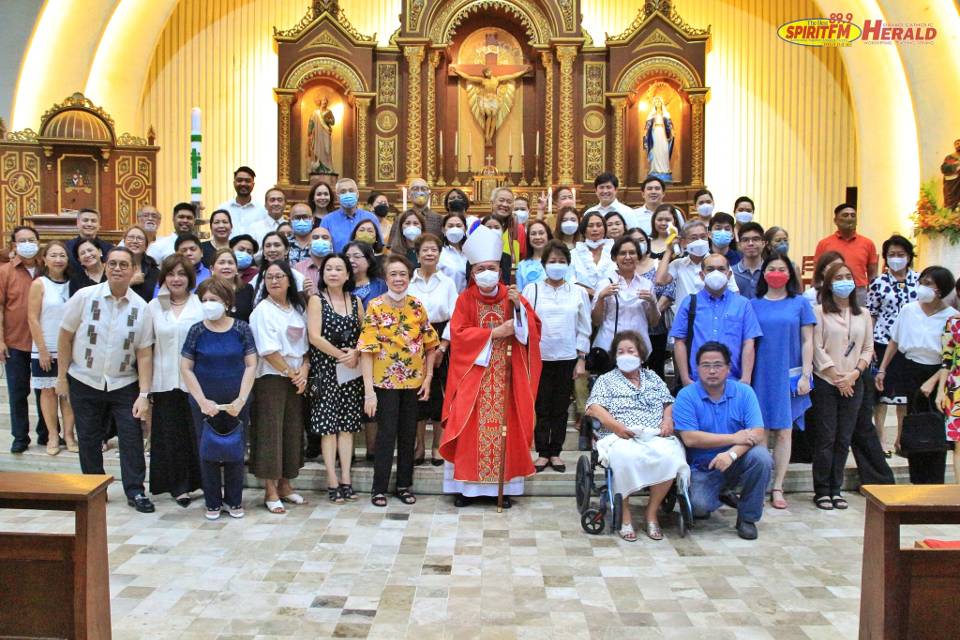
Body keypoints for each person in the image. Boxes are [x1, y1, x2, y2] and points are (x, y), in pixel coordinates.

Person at [439, 225, 542, 508]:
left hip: (507, 376)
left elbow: (533, 331)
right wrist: (494, 333)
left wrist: (519, 311)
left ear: (500, 270)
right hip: (474, 377)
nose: (486, 272)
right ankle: (467, 489)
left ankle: (503, 487)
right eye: (481, 268)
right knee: (469, 429)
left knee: (504, 429)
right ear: (473, 273)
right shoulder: (465, 299)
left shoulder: (513, 297)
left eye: (492, 267)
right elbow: (458, 335)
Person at [57, 247, 155, 512]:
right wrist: (62, 378)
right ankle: (94, 489)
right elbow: (65, 336)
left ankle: (135, 491)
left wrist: (144, 394)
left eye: (124, 264)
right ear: (105, 266)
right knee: (88, 437)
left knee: (131, 437)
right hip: (83, 378)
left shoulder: (141, 308)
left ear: (134, 270)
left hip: (124, 383)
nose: (118, 269)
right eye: (112, 263)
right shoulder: (85, 297)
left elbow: (144, 354)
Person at [585, 330, 688, 540]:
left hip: (654, 434)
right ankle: (625, 515)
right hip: (620, 435)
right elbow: (594, 408)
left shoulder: (653, 378)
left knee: (673, 454)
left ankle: (652, 513)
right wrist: (616, 426)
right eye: (620, 351)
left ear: (641, 355)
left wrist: (667, 420)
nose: (625, 355)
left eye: (630, 351)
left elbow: (667, 402)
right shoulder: (606, 380)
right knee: (624, 457)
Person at [359, 255, 439, 507]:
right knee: (386, 435)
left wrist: (428, 377)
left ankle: (404, 484)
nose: (398, 279)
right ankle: (379, 488)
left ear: (409, 277)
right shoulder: (374, 306)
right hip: (385, 384)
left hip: (413, 383)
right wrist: (369, 391)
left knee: (408, 436)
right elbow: (366, 349)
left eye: (403, 274)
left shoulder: (416, 305)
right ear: (385, 277)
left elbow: (431, 344)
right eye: (393, 274)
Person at [673, 342, 772, 540]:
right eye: (706, 365)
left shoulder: (744, 393)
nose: (712, 371)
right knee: (700, 508)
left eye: (718, 365)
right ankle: (721, 491)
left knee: (762, 457)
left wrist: (731, 453)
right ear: (697, 368)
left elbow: (757, 432)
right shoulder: (686, 396)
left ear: (728, 368)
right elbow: (690, 438)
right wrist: (733, 438)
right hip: (701, 467)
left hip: (736, 460)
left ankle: (747, 518)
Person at [181, 277, 257, 520]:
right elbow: (186, 367)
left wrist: (241, 399)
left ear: (226, 301)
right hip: (204, 402)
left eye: (212, 299)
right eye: (203, 300)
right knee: (208, 452)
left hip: (237, 401)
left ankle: (234, 500)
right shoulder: (197, 330)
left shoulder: (241, 328)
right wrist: (202, 401)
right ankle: (212, 501)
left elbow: (251, 364)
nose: (207, 304)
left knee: (235, 450)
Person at [875, 266, 956, 483]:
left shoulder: (951, 316)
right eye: (922, 281)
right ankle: (916, 477)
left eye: (929, 283)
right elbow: (895, 340)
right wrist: (882, 368)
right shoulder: (909, 309)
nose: (924, 287)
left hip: (939, 373)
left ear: (941, 289)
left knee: (935, 425)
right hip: (910, 368)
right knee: (913, 424)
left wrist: (939, 378)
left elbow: (951, 355)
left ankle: (935, 478)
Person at [750, 254, 815, 509]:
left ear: (790, 274)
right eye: (772, 268)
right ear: (764, 273)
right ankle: (762, 482)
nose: (777, 273)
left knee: (785, 431)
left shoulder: (800, 303)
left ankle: (778, 486)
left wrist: (807, 374)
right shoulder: (753, 304)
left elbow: (808, 340)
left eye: (782, 269)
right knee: (761, 431)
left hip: (790, 371)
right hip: (760, 373)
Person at [811, 262, 873, 510]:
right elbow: (816, 348)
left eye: (849, 276)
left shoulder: (863, 314)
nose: (844, 281)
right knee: (826, 437)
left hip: (854, 382)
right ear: (829, 283)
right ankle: (822, 490)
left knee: (844, 437)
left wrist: (854, 374)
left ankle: (836, 489)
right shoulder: (818, 312)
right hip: (827, 381)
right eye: (839, 277)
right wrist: (836, 376)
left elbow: (867, 349)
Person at [523, 240, 590, 473]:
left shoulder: (578, 292)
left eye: (561, 261)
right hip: (539, 357)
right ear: (544, 265)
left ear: (568, 265)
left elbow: (584, 327)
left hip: (567, 356)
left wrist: (581, 358)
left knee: (560, 408)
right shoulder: (532, 289)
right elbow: (525, 323)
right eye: (552, 261)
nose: (557, 265)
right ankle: (542, 452)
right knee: (542, 407)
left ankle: (556, 452)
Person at [249, 260, 309, 514]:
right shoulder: (262, 310)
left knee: (292, 431)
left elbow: (306, 347)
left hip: (295, 377)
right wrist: (290, 373)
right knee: (270, 433)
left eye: (280, 276)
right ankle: (270, 490)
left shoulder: (297, 308)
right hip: (272, 378)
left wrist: (303, 371)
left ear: (289, 280)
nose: (274, 281)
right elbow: (267, 349)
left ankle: (286, 484)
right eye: (269, 277)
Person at [146, 254, 204, 506]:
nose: (176, 279)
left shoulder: (201, 304)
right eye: (171, 274)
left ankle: (198, 482)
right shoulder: (153, 307)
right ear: (164, 278)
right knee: (171, 436)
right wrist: (144, 389)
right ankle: (177, 486)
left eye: (181, 274)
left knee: (194, 434)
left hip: (196, 381)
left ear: (190, 277)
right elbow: (145, 348)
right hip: (164, 380)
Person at [306, 253, 364, 503]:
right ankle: (332, 480)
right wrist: (343, 355)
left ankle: (346, 478)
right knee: (328, 428)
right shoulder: (316, 301)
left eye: (339, 268)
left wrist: (357, 352)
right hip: (326, 370)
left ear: (348, 274)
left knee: (348, 428)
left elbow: (366, 334)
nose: (333, 273)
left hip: (352, 372)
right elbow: (314, 337)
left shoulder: (357, 301)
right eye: (328, 268)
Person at [670, 254, 761, 387]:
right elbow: (679, 342)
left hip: (733, 381)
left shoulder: (743, 304)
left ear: (729, 274)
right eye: (710, 269)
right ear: (702, 275)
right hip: (696, 382)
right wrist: (685, 378)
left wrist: (746, 378)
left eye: (721, 269)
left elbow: (749, 342)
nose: (716, 273)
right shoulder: (690, 303)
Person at [407, 234, 458, 466]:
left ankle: (437, 445)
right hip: (412, 342)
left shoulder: (447, 282)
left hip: (441, 340)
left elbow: (455, 316)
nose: (429, 254)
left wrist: (443, 346)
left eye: (434, 250)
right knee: (416, 396)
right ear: (417, 254)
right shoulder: (408, 281)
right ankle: (418, 445)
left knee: (439, 394)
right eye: (425, 250)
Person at [867, 235, 920, 451]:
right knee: (881, 395)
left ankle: (901, 439)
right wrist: (868, 344)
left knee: (905, 396)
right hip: (882, 340)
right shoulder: (878, 283)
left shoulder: (919, 281)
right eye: (891, 255)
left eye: (901, 255)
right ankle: (879, 439)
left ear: (909, 257)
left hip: (910, 343)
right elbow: (871, 313)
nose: (896, 259)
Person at [0, 226, 48, 453]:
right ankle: (20, 436)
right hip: (15, 341)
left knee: (45, 390)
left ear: (38, 243)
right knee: (18, 391)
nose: (27, 243)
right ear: (13, 245)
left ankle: (46, 433)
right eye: (22, 240)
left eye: (31, 239)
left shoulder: (46, 269)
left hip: (44, 343)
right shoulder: (5, 272)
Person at [27, 240, 76, 454]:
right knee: (48, 392)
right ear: (45, 259)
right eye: (54, 255)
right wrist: (42, 349)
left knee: (67, 393)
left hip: (69, 348)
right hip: (45, 346)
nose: (58, 259)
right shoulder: (39, 283)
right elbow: (32, 318)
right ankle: (53, 436)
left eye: (62, 255)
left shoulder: (73, 283)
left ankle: (69, 436)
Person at [591, 236, 660, 371]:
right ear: (614, 258)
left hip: (638, 349)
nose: (628, 257)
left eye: (632, 253)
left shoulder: (647, 284)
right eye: (622, 253)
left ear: (638, 257)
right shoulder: (605, 283)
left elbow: (654, 322)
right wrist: (601, 298)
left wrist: (652, 302)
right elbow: (596, 320)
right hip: (609, 349)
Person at [656, 220, 738, 315]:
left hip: (713, 321)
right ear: (683, 242)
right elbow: (660, 280)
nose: (700, 241)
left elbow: (734, 293)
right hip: (685, 323)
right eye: (694, 238)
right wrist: (669, 250)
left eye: (703, 237)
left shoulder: (721, 263)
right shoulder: (678, 264)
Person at [629, 228, 675, 378]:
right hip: (631, 329)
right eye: (633, 241)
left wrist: (654, 312)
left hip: (656, 329)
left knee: (656, 371)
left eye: (641, 240)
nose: (638, 244)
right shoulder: (624, 266)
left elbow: (669, 290)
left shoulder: (657, 263)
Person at [814, 203, 878, 304]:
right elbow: (817, 271)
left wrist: (873, 294)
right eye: (845, 215)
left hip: (859, 292)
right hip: (832, 290)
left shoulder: (868, 243)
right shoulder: (824, 244)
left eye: (853, 215)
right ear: (835, 221)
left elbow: (873, 273)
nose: (849, 218)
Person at [321, 177, 381, 252]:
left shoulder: (371, 218)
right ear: (337, 197)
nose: (348, 194)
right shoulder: (328, 220)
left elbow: (379, 245)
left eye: (351, 190)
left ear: (357, 194)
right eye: (343, 192)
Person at [939, 296, 960, 481]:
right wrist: (940, 392)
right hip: (957, 388)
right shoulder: (953, 323)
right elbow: (946, 360)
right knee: (959, 444)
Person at [216, 166, 269, 238]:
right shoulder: (223, 209)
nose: (243, 184)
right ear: (234, 183)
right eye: (239, 180)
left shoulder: (263, 210)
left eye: (247, 181)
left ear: (253, 184)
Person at [570, 211, 615, 295]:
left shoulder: (616, 250)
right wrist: (593, 294)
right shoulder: (573, 254)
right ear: (583, 230)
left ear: (605, 229)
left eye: (599, 225)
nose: (595, 229)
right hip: (582, 302)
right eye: (590, 226)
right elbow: (570, 280)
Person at [252, 231, 307, 299]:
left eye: (277, 245)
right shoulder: (256, 279)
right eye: (268, 246)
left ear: (286, 250)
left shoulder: (297, 277)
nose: (272, 250)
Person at [210, 248, 255, 322]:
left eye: (230, 263)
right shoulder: (205, 289)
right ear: (212, 268)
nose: (226, 266)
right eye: (221, 263)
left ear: (236, 268)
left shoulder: (248, 289)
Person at [344, 240, 387, 309]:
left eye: (357, 256)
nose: (351, 260)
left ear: (369, 261)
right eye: (347, 257)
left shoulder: (380, 285)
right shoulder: (340, 284)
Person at [123, 226, 160, 302]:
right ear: (124, 242)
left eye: (139, 238)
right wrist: (131, 282)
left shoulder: (154, 270)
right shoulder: (114, 265)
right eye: (131, 237)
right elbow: (109, 291)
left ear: (146, 246)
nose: (135, 241)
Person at [293, 226, 335, 293]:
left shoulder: (337, 267)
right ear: (309, 243)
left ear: (331, 243)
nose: (320, 240)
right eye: (315, 238)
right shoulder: (298, 268)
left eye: (325, 238)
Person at [515, 220, 553, 291]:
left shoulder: (558, 261)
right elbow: (520, 294)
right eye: (533, 234)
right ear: (528, 238)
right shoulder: (521, 266)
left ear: (548, 236)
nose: (538, 237)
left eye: (541, 233)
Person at [731, 222, 765, 298]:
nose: (750, 243)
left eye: (755, 239)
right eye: (745, 240)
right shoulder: (731, 273)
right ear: (739, 245)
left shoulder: (770, 272)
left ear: (763, 243)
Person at [438, 212, 468, 292]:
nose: (455, 229)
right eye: (450, 226)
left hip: (467, 300)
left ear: (465, 229)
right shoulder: (439, 253)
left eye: (459, 226)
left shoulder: (471, 253)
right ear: (443, 230)